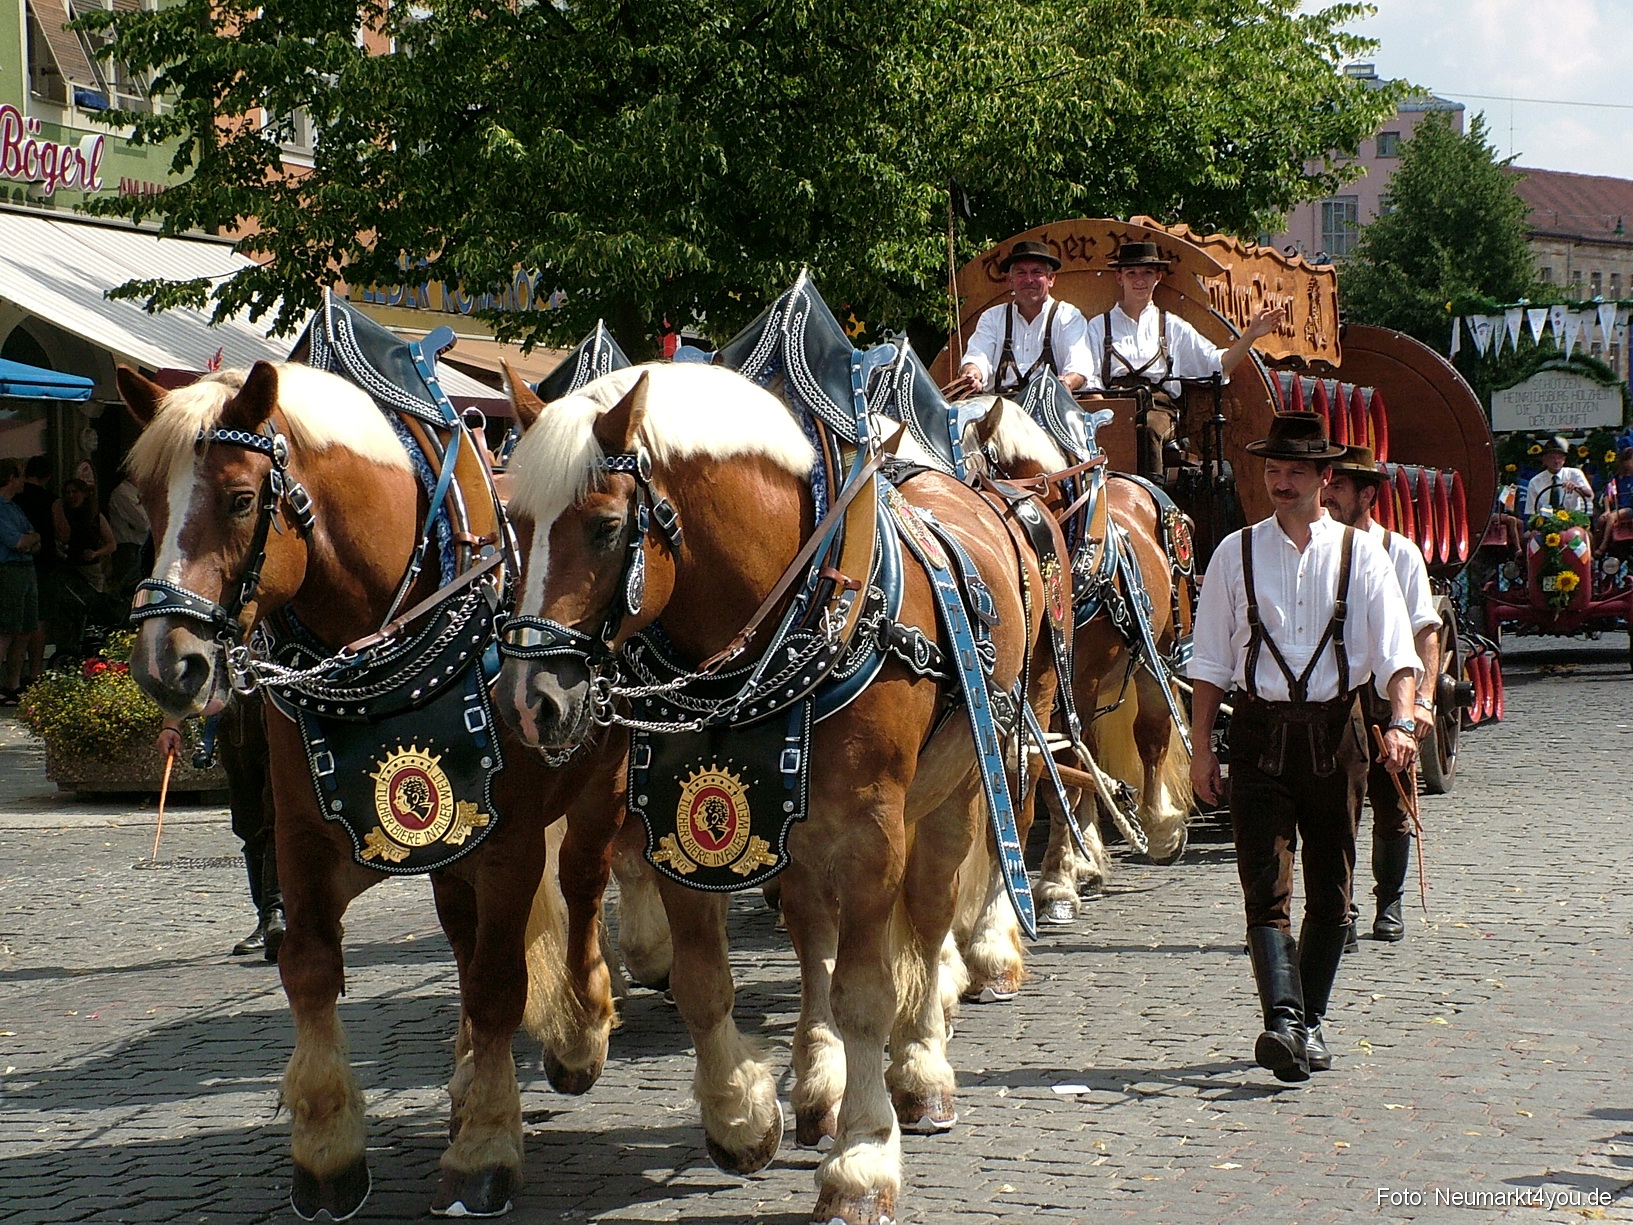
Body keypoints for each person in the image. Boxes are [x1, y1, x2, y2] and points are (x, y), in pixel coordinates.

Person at [1188, 413, 1420, 1083]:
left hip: (1335, 734)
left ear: (1325, 478)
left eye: (1293, 470)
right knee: (1263, 890)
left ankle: (1306, 1017)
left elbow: (1396, 655)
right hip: (1258, 732)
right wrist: (1202, 748)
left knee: (1331, 892)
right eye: (1271, 469)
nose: (1279, 481)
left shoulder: (1361, 554)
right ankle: (1284, 1023)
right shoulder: (1232, 551)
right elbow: (1207, 663)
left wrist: (1401, 722)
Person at [1321, 445, 1440, 944]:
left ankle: (1388, 901)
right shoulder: (1321, 548)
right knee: (1336, 807)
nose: (1327, 494)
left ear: (1367, 494)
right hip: (1340, 698)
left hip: (1390, 696)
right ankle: (1339, 908)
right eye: (1326, 484)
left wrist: (1421, 703)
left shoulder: (1400, 553)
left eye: (1339, 487)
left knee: (1393, 806)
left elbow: (1425, 633)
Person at [1081, 241, 1281, 477]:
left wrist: (1250, 336)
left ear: (1158, 277)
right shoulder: (1098, 326)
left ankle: (1153, 498)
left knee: (1147, 430)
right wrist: (1107, 416)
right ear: (1119, 278)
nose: (1139, 280)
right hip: (1113, 404)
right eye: (1131, 273)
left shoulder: (1172, 326)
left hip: (1157, 407)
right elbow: (1089, 378)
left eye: (1146, 273)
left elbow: (1217, 364)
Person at [156, 692, 281, 960]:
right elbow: (191, 673)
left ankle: (276, 915)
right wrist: (171, 723)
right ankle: (266, 920)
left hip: (282, 716)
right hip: (235, 724)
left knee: (278, 817)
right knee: (250, 823)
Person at [946, 240, 1093, 398]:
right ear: (1010, 280)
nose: (1029, 280)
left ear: (1051, 279)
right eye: (1021, 273)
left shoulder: (1068, 317)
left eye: (1037, 272)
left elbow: (1079, 366)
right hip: (999, 412)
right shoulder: (992, 318)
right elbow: (978, 356)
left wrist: (1066, 383)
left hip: (1050, 410)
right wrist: (972, 373)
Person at [51, 478, 116, 658]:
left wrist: (96, 553)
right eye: (68, 492)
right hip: (69, 568)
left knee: (94, 609)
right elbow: (63, 536)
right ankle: (68, 650)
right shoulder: (62, 512)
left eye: (75, 492)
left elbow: (112, 544)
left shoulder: (95, 516)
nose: (72, 496)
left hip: (91, 569)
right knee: (69, 612)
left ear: (84, 494)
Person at [0, 460, 44, 703]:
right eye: (20, 476)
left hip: (26, 569)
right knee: (6, 629)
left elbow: (36, 538)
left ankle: (13, 684)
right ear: (10, 477)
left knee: (26, 628)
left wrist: (30, 541)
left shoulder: (15, 507)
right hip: (8, 570)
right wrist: (27, 541)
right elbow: (16, 541)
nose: (23, 481)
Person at [13, 457, 55, 686]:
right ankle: (35, 670)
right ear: (48, 476)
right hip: (41, 564)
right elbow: (63, 532)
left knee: (21, 623)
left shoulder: (14, 501)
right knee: (36, 620)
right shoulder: (50, 500)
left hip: (25, 562)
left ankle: (15, 675)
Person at [106, 476, 150, 604]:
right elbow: (144, 524)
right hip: (128, 549)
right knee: (129, 594)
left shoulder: (138, 492)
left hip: (141, 547)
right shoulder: (123, 493)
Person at [1524, 438, 1593, 517]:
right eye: (1552, 457)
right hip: (1545, 522)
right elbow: (1531, 511)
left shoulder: (1575, 473)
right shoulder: (1535, 481)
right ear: (1544, 459)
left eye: (1559, 457)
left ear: (1564, 459)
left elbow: (1589, 495)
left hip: (1572, 520)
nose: (1556, 461)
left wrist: (1577, 488)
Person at [1596, 447, 1633, 554]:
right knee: (1602, 519)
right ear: (1625, 462)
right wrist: (1607, 510)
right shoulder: (1617, 478)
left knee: (1613, 516)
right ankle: (1595, 547)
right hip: (1619, 507)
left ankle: (1603, 547)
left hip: (1630, 508)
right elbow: (1607, 494)